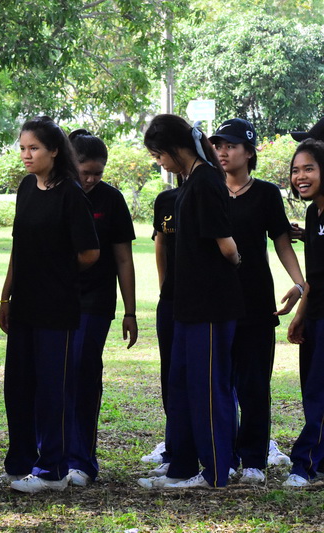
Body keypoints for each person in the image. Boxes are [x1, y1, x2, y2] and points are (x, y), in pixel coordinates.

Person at [138, 114, 243, 490]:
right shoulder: (189, 185)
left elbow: (227, 248)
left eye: (158, 156)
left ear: (173, 149)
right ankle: (180, 466)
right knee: (181, 385)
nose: (160, 163)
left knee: (208, 389)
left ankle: (215, 472)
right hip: (185, 306)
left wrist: (236, 263)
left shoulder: (207, 183)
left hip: (210, 307)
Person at [0, 116, 99, 494]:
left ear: (54, 151)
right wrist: (5, 296)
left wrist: (56, 271)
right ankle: (21, 463)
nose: (26, 155)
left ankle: (53, 470)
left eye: (34, 148)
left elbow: (90, 252)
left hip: (57, 307)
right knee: (18, 386)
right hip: (23, 304)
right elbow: (18, 247)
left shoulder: (71, 193)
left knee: (53, 389)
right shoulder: (27, 187)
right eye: (23, 148)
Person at [209, 118, 304, 484]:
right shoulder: (208, 189)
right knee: (218, 383)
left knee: (254, 385)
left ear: (249, 152)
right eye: (218, 145)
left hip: (255, 302)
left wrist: (299, 283)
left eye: (231, 146)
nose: (223, 152)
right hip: (215, 302)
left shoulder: (265, 194)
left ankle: (253, 459)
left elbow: (281, 242)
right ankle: (223, 454)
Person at [66, 129, 137, 486]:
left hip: (94, 301)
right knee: (53, 375)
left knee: (83, 370)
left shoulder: (111, 200)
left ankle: (82, 460)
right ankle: (52, 455)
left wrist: (130, 311)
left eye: (98, 173)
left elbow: (124, 259)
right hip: (53, 299)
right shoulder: (55, 193)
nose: (91, 179)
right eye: (85, 172)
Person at [285, 139, 324, 487]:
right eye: (296, 170)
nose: (301, 176)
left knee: (318, 392)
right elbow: (314, 275)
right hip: (315, 316)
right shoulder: (313, 214)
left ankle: (305, 464)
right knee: (311, 390)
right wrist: (301, 314)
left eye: (309, 168)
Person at [140, 184, 181, 473]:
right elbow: (161, 243)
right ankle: (174, 448)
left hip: (206, 304)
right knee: (171, 376)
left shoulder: (213, 193)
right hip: (171, 301)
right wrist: (164, 287)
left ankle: (222, 450)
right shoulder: (166, 199)